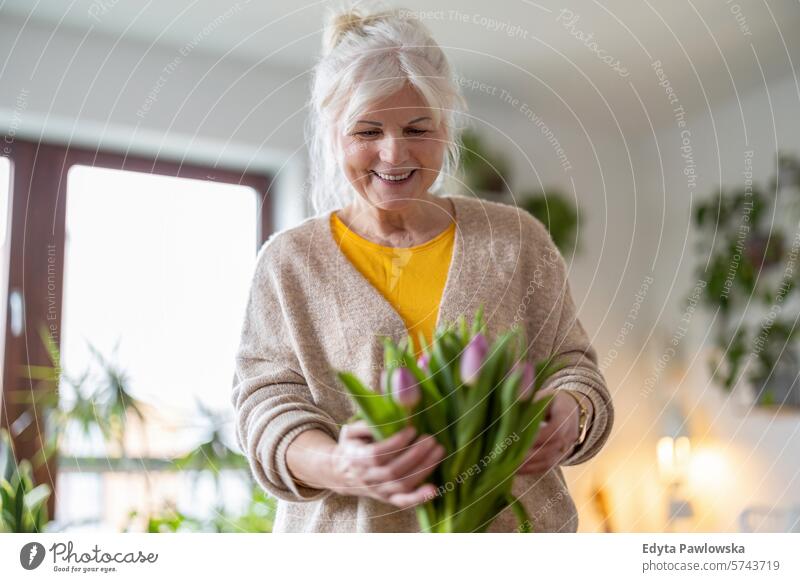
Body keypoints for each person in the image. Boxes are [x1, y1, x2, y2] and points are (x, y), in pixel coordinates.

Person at [231, 7, 613, 533]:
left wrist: (570, 410)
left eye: (417, 127)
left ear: (445, 126)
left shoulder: (516, 240)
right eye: (367, 130)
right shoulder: (289, 262)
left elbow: (574, 368)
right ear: (333, 133)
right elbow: (263, 404)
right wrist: (339, 466)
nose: (394, 152)